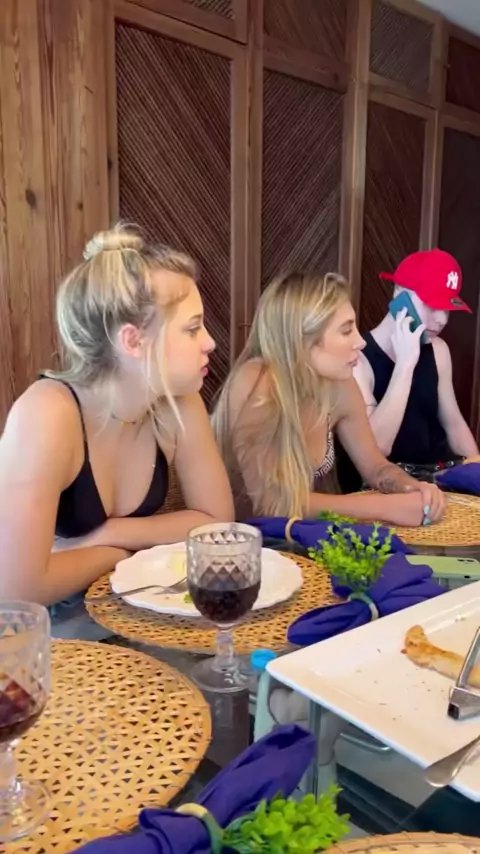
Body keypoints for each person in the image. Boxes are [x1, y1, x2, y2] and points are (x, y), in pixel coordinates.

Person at [0, 224, 234, 606]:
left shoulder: (178, 400)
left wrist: (108, 535)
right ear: (133, 341)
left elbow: (218, 524)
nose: (210, 342)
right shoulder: (46, 415)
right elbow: (15, 591)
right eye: (192, 329)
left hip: (128, 606)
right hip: (44, 627)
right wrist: (119, 555)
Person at [211, 271, 445, 527]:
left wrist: (410, 487)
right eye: (346, 331)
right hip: (248, 542)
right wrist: (384, 507)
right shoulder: (256, 382)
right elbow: (272, 503)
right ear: (302, 338)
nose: (360, 341)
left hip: (315, 538)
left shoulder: (340, 384)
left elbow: (376, 467)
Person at [352, 249, 478, 483]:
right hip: (393, 483)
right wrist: (405, 363)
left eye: (446, 308)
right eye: (431, 305)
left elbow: (454, 424)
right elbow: (376, 447)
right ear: (400, 296)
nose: (441, 319)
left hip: (441, 475)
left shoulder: (438, 350)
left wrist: (476, 469)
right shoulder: (358, 360)